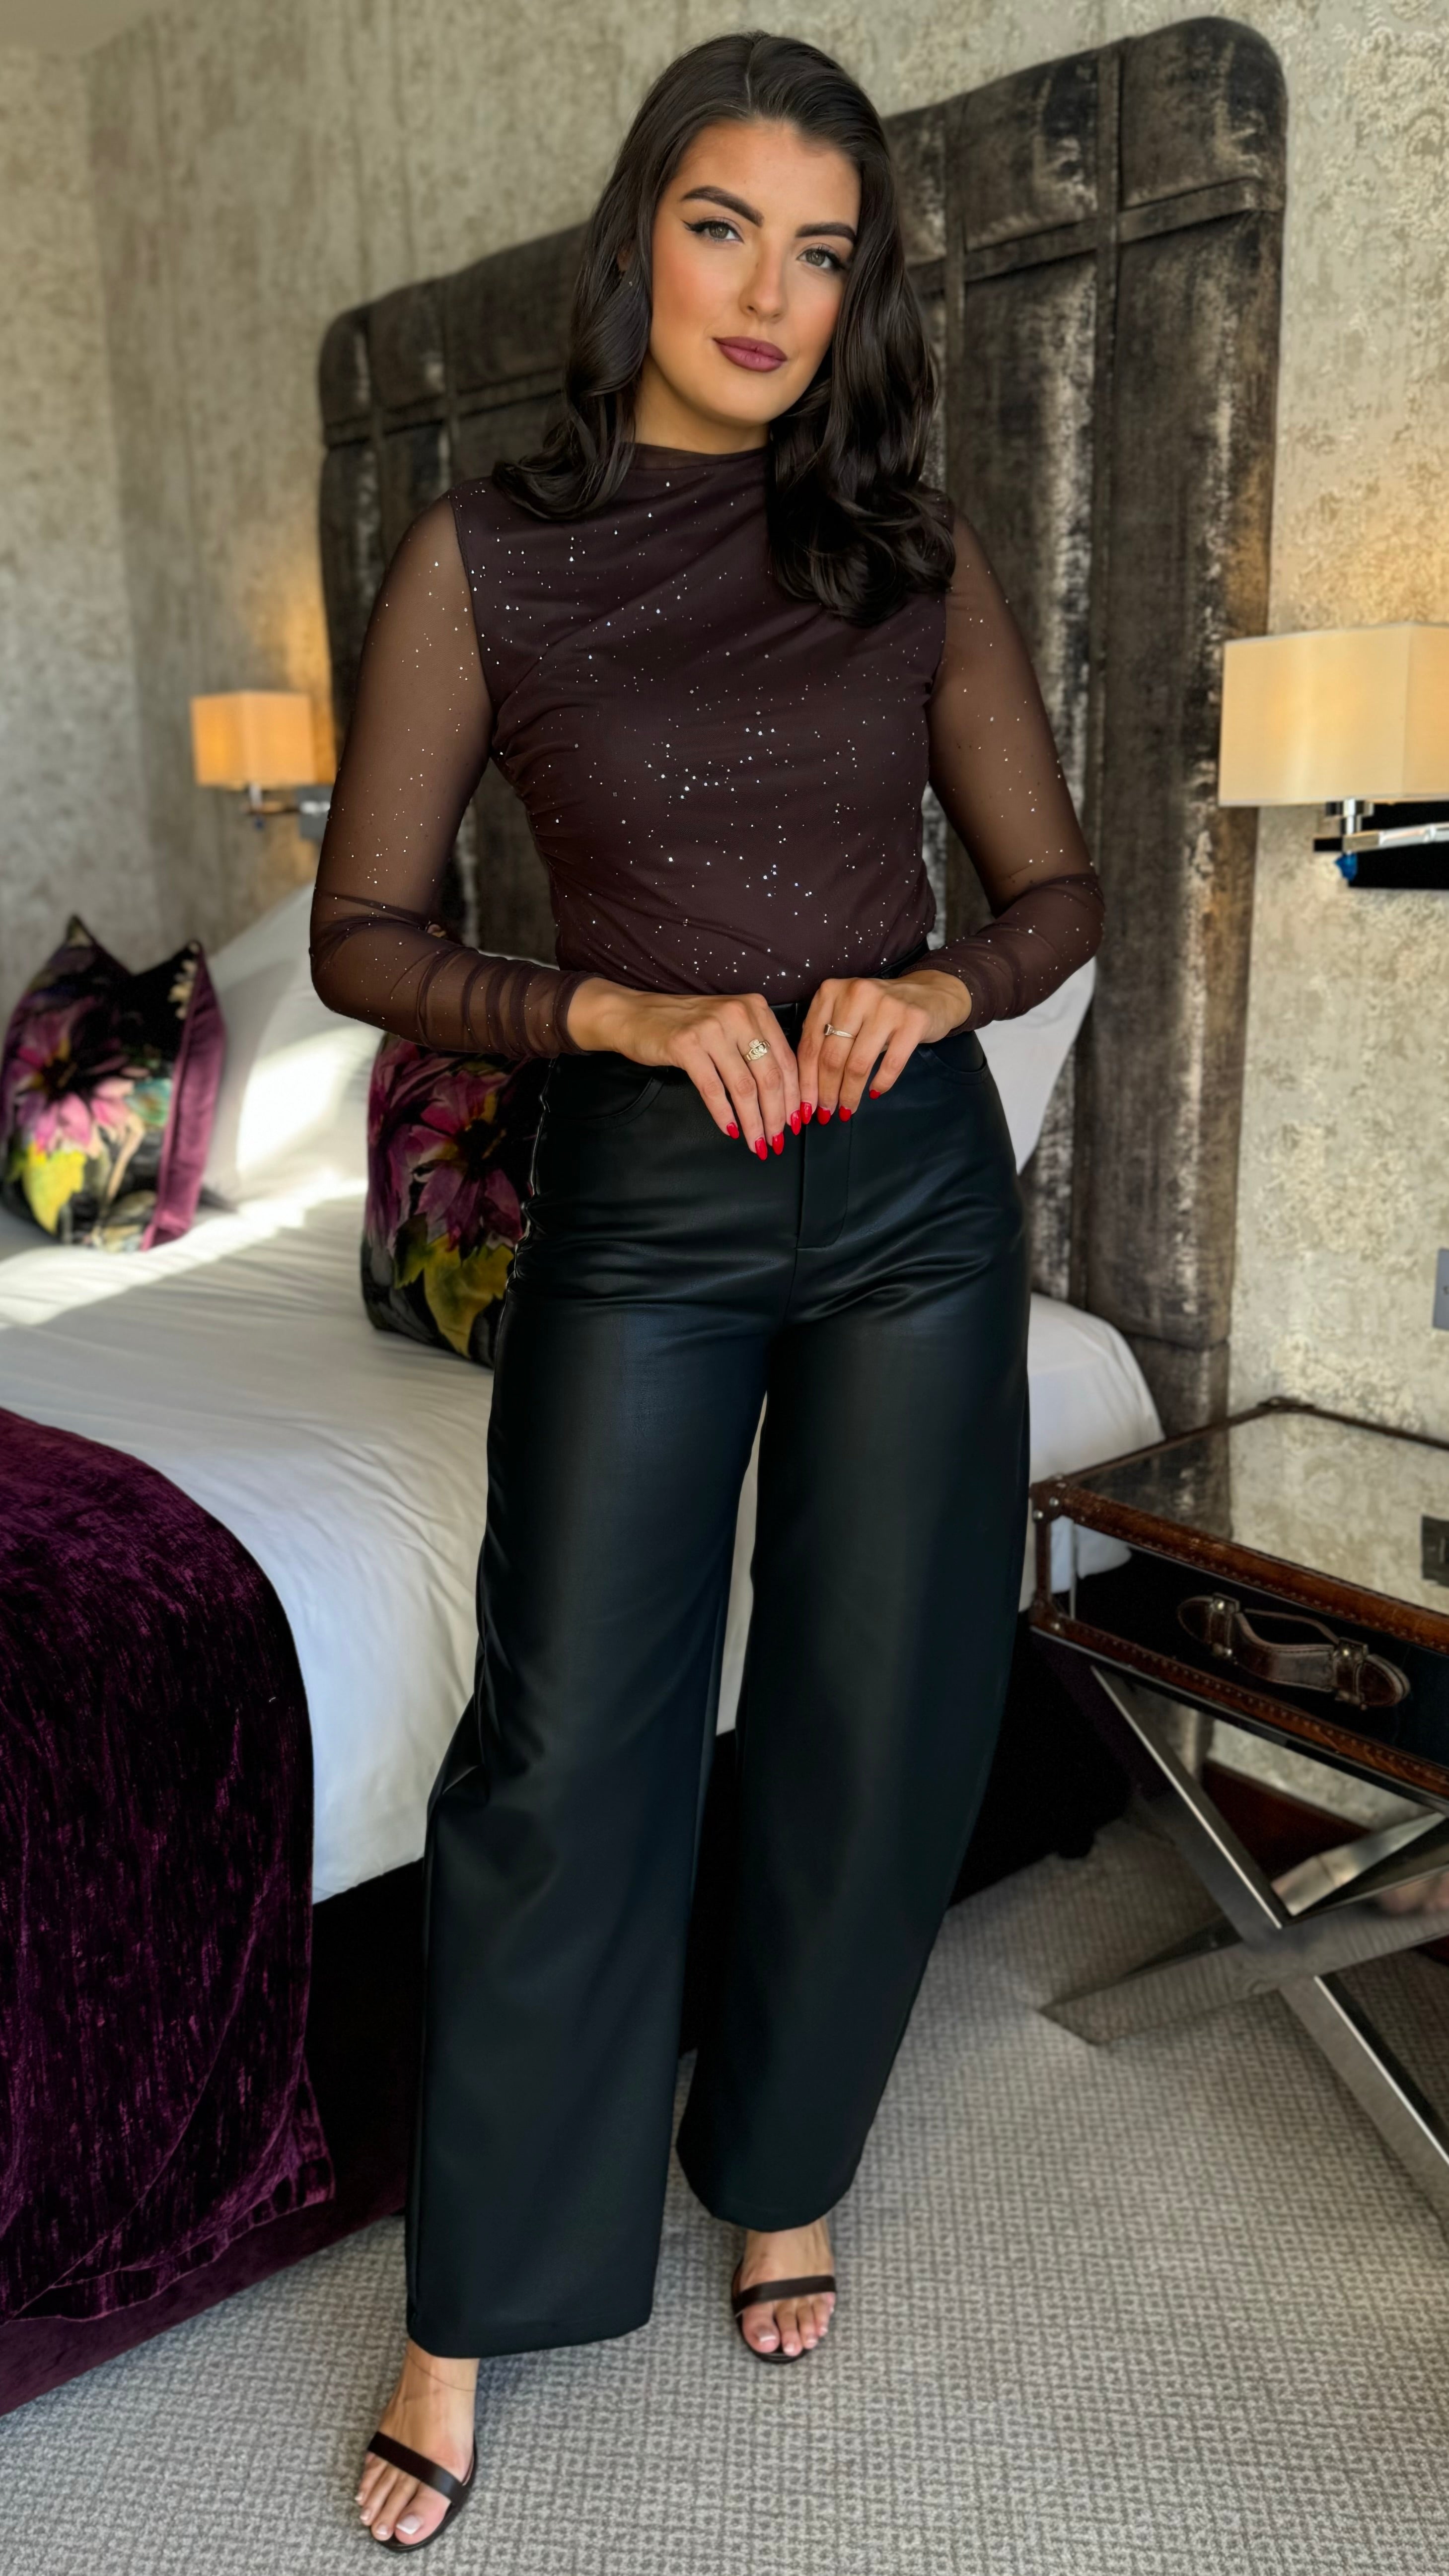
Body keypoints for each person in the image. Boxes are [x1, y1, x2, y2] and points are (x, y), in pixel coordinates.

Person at [312, 28, 1103, 2552]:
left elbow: (1055, 893)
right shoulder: (488, 554)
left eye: (821, 251)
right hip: (645, 1212)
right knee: (563, 1754)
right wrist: (616, 1017)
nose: (768, 292)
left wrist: (944, 986)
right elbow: (362, 935)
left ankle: (778, 2164)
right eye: (722, 226)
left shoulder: (909, 553)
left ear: (858, 291)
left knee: (881, 1721)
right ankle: (471, 2303)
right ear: (639, 235)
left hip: (909, 1213)